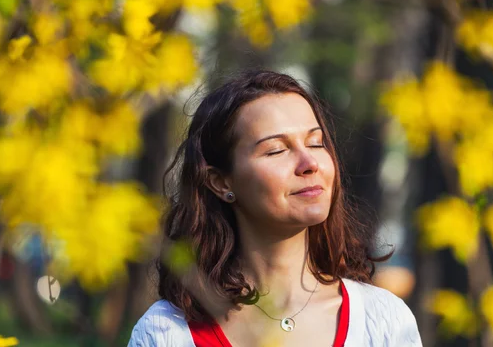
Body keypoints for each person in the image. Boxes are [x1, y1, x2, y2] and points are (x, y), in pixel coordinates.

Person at [128, 70, 422, 346]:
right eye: (276, 150)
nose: (309, 164)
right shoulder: (168, 332)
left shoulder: (383, 321)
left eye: (316, 143)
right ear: (220, 182)